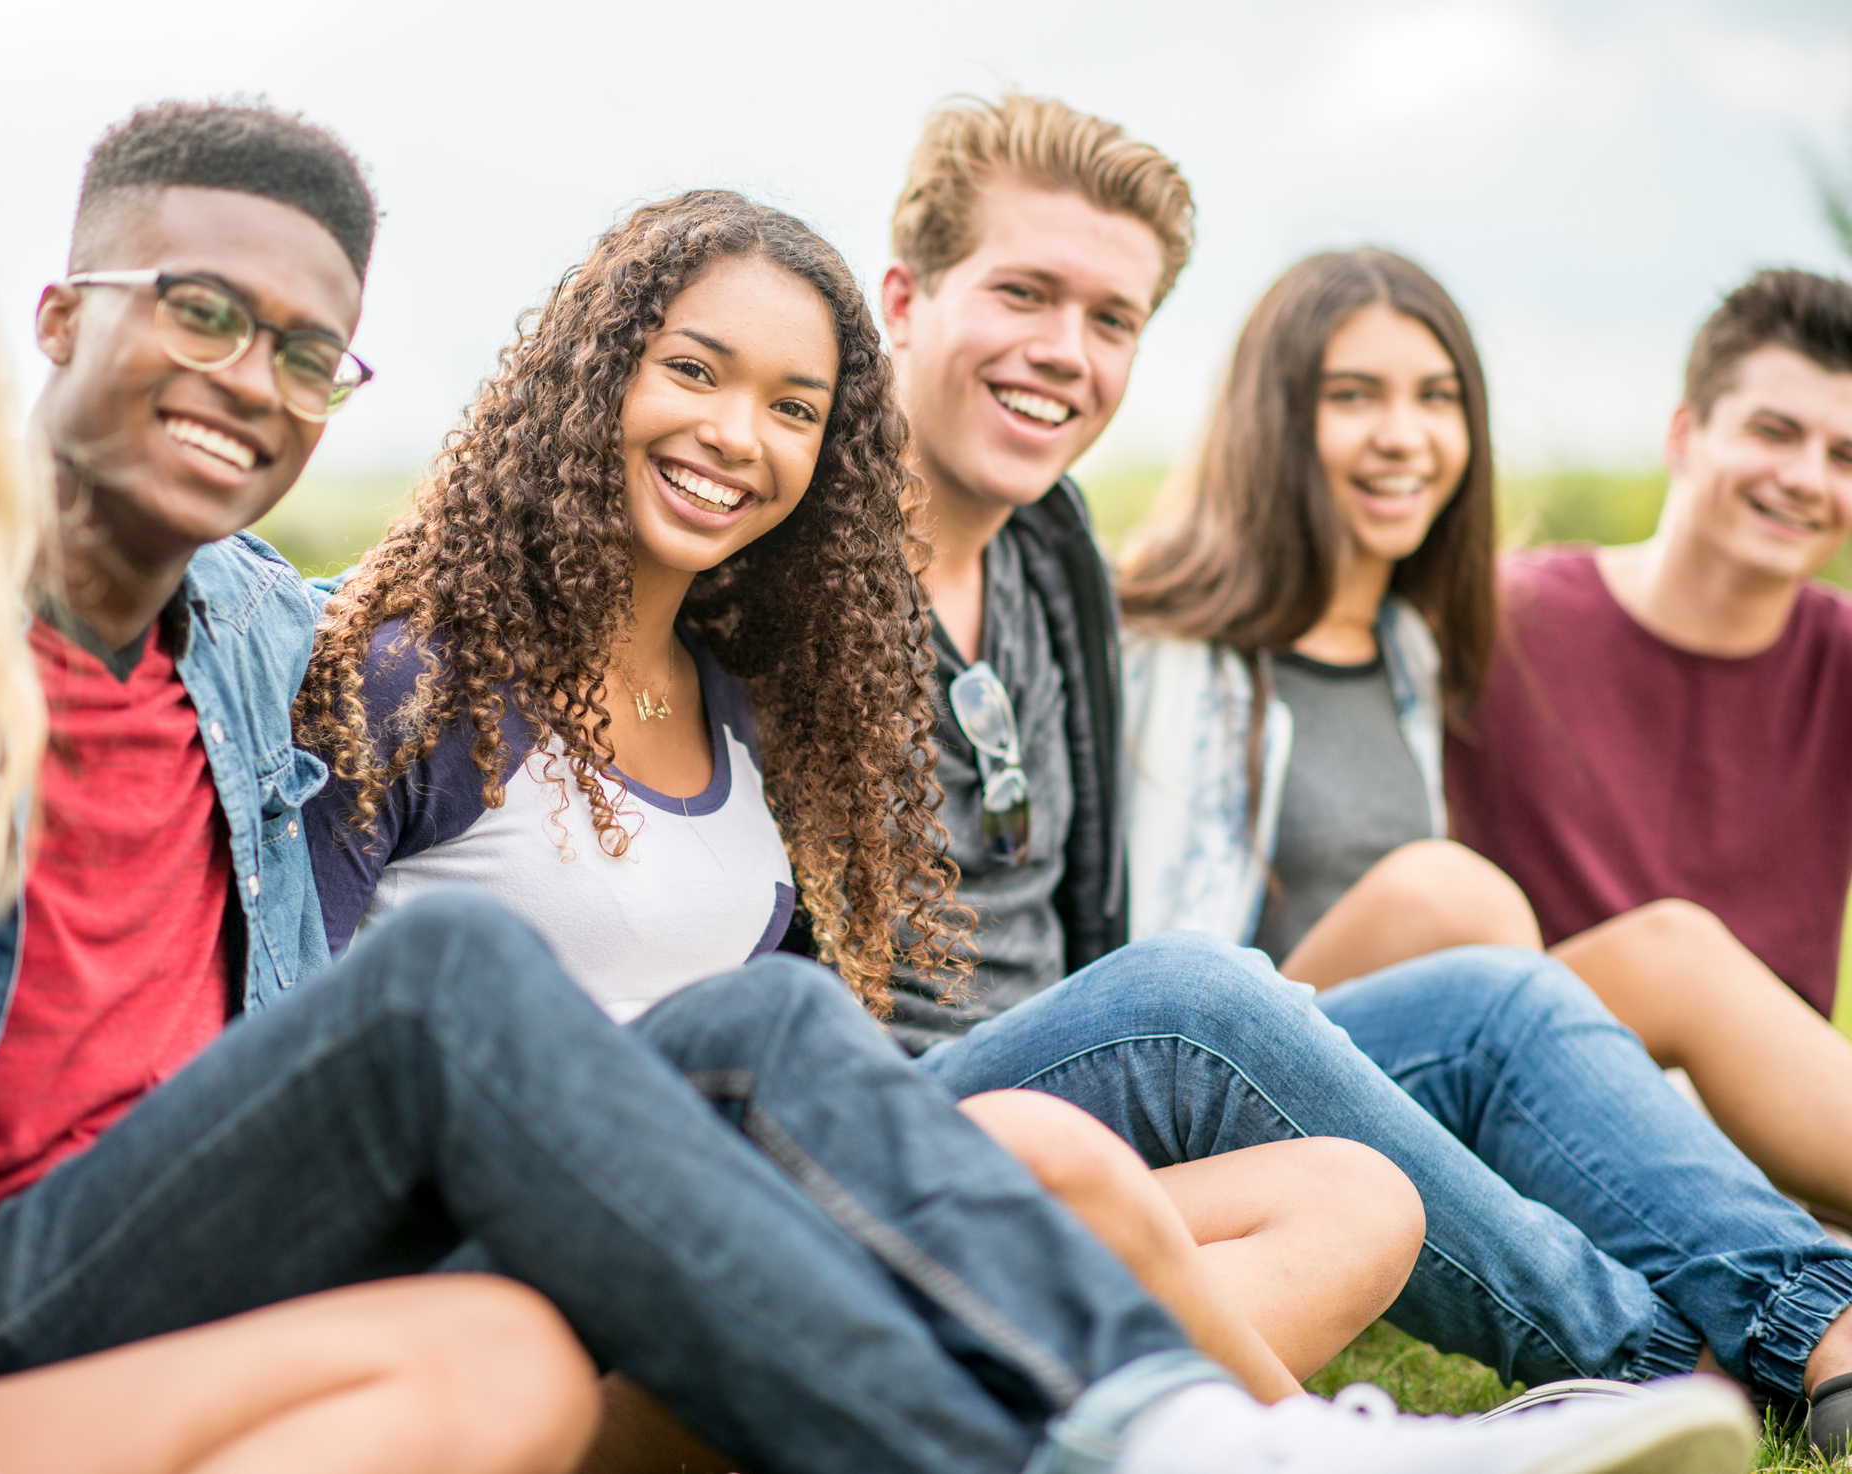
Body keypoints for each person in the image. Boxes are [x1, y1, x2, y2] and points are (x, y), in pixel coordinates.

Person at [0, 96, 1765, 1474]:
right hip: (52, 1269)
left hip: (374, 1216)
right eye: (197, 314)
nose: (248, 375)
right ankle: (1240, 1431)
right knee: (488, 998)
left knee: (833, 1036)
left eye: (305, 350)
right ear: (49, 321)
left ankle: (1242, 1431)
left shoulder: (239, 637)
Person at [295, 188, 1421, 1410]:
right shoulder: (421, 677)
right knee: (1047, 1159)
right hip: (528, 1288)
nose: (738, 433)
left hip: (758, 1220)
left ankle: (1163, 1432)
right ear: (591, 377)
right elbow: (292, 1053)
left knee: (1353, 1199)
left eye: (794, 409)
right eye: (693, 371)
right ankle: (1304, 1446)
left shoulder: (746, 704)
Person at [869, 91, 1852, 1454]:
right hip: (900, 1102)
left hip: (1093, 1076)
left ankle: (1824, 1322)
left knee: (1498, 996)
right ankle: (1660, 1355)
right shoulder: (819, 550)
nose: (1066, 351)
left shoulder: (1050, 549)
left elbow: (1080, 917)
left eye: (1112, 320)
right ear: (904, 299)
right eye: (1025, 292)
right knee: (1210, 981)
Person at [0, 106, 600, 1474]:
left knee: (530, 1333)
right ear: (56, 325)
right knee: (447, 983)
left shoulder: (252, 629)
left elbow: (460, 614)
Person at [1115, 250, 1852, 1226]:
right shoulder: (1186, 646)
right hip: (1256, 1072)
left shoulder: (1413, 645)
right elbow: (1152, 949)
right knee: (1473, 902)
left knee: (1611, 953)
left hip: (1457, 1064)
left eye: (1436, 398)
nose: (1404, 435)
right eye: (1353, 394)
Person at [1444, 268, 1852, 1227]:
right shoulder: (1502, 617)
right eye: (1773, 431)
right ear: (1684, 434)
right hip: (1538, 1097)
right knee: (1675, 948)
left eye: (1845, 454)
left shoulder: (1840, 660)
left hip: (1764, 1125)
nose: (1805, 477)